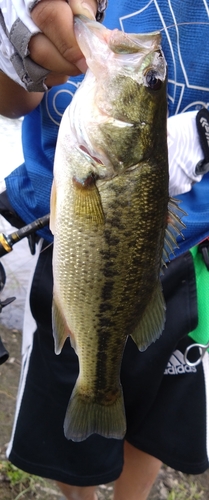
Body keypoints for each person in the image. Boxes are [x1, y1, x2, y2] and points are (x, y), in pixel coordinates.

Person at [0, 1, 209, 499]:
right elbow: (11, 101)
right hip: (70, 260)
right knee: (65, 414)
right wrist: (16, 44)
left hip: (196, 251)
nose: (145, 66)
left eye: (147, 84)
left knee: (159, 416)